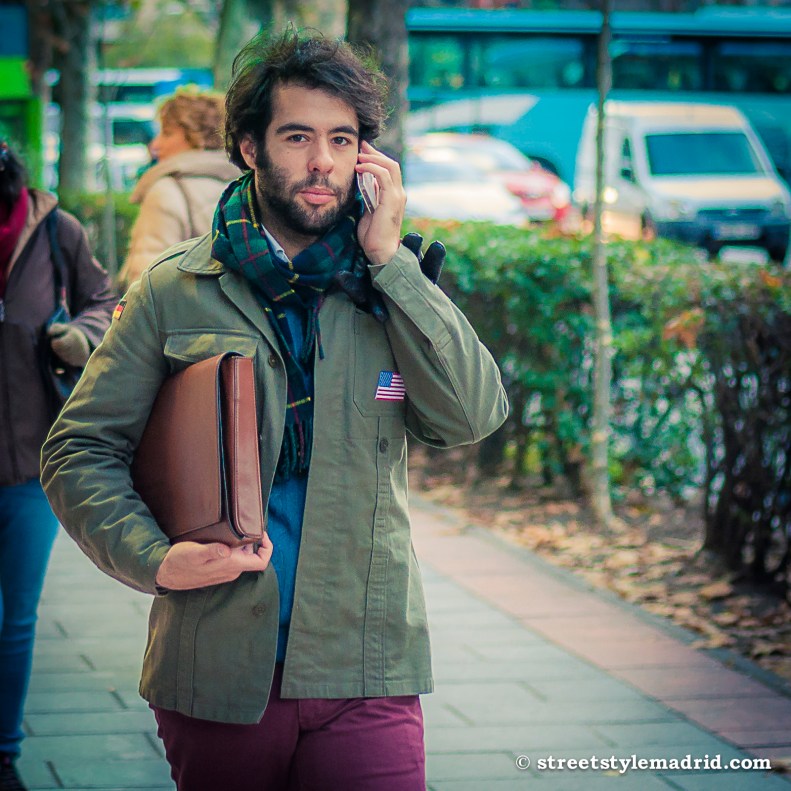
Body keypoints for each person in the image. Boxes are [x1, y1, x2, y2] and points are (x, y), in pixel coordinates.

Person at [40, 30, 508, 791]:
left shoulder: (387, 285)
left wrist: (392, 265)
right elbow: (79, 449)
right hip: (219, 662)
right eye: (297, 137)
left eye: (341, 139)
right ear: (249, 146)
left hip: (366, 662)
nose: (322, 160)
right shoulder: (175, 290)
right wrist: (153, 559)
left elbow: (469, 415)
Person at [0, 140, 115, 791]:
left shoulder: (54, 231)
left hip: (32, 461)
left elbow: (107, 301)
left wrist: (81, 336)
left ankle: (4, 752)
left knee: (16, 617)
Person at [116, 89, 239, 289]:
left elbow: (146, 281)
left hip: (181, 307)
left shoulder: (167, 191)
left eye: (167, 133)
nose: (156, 144)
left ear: (197, 136)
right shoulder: (242, 185)